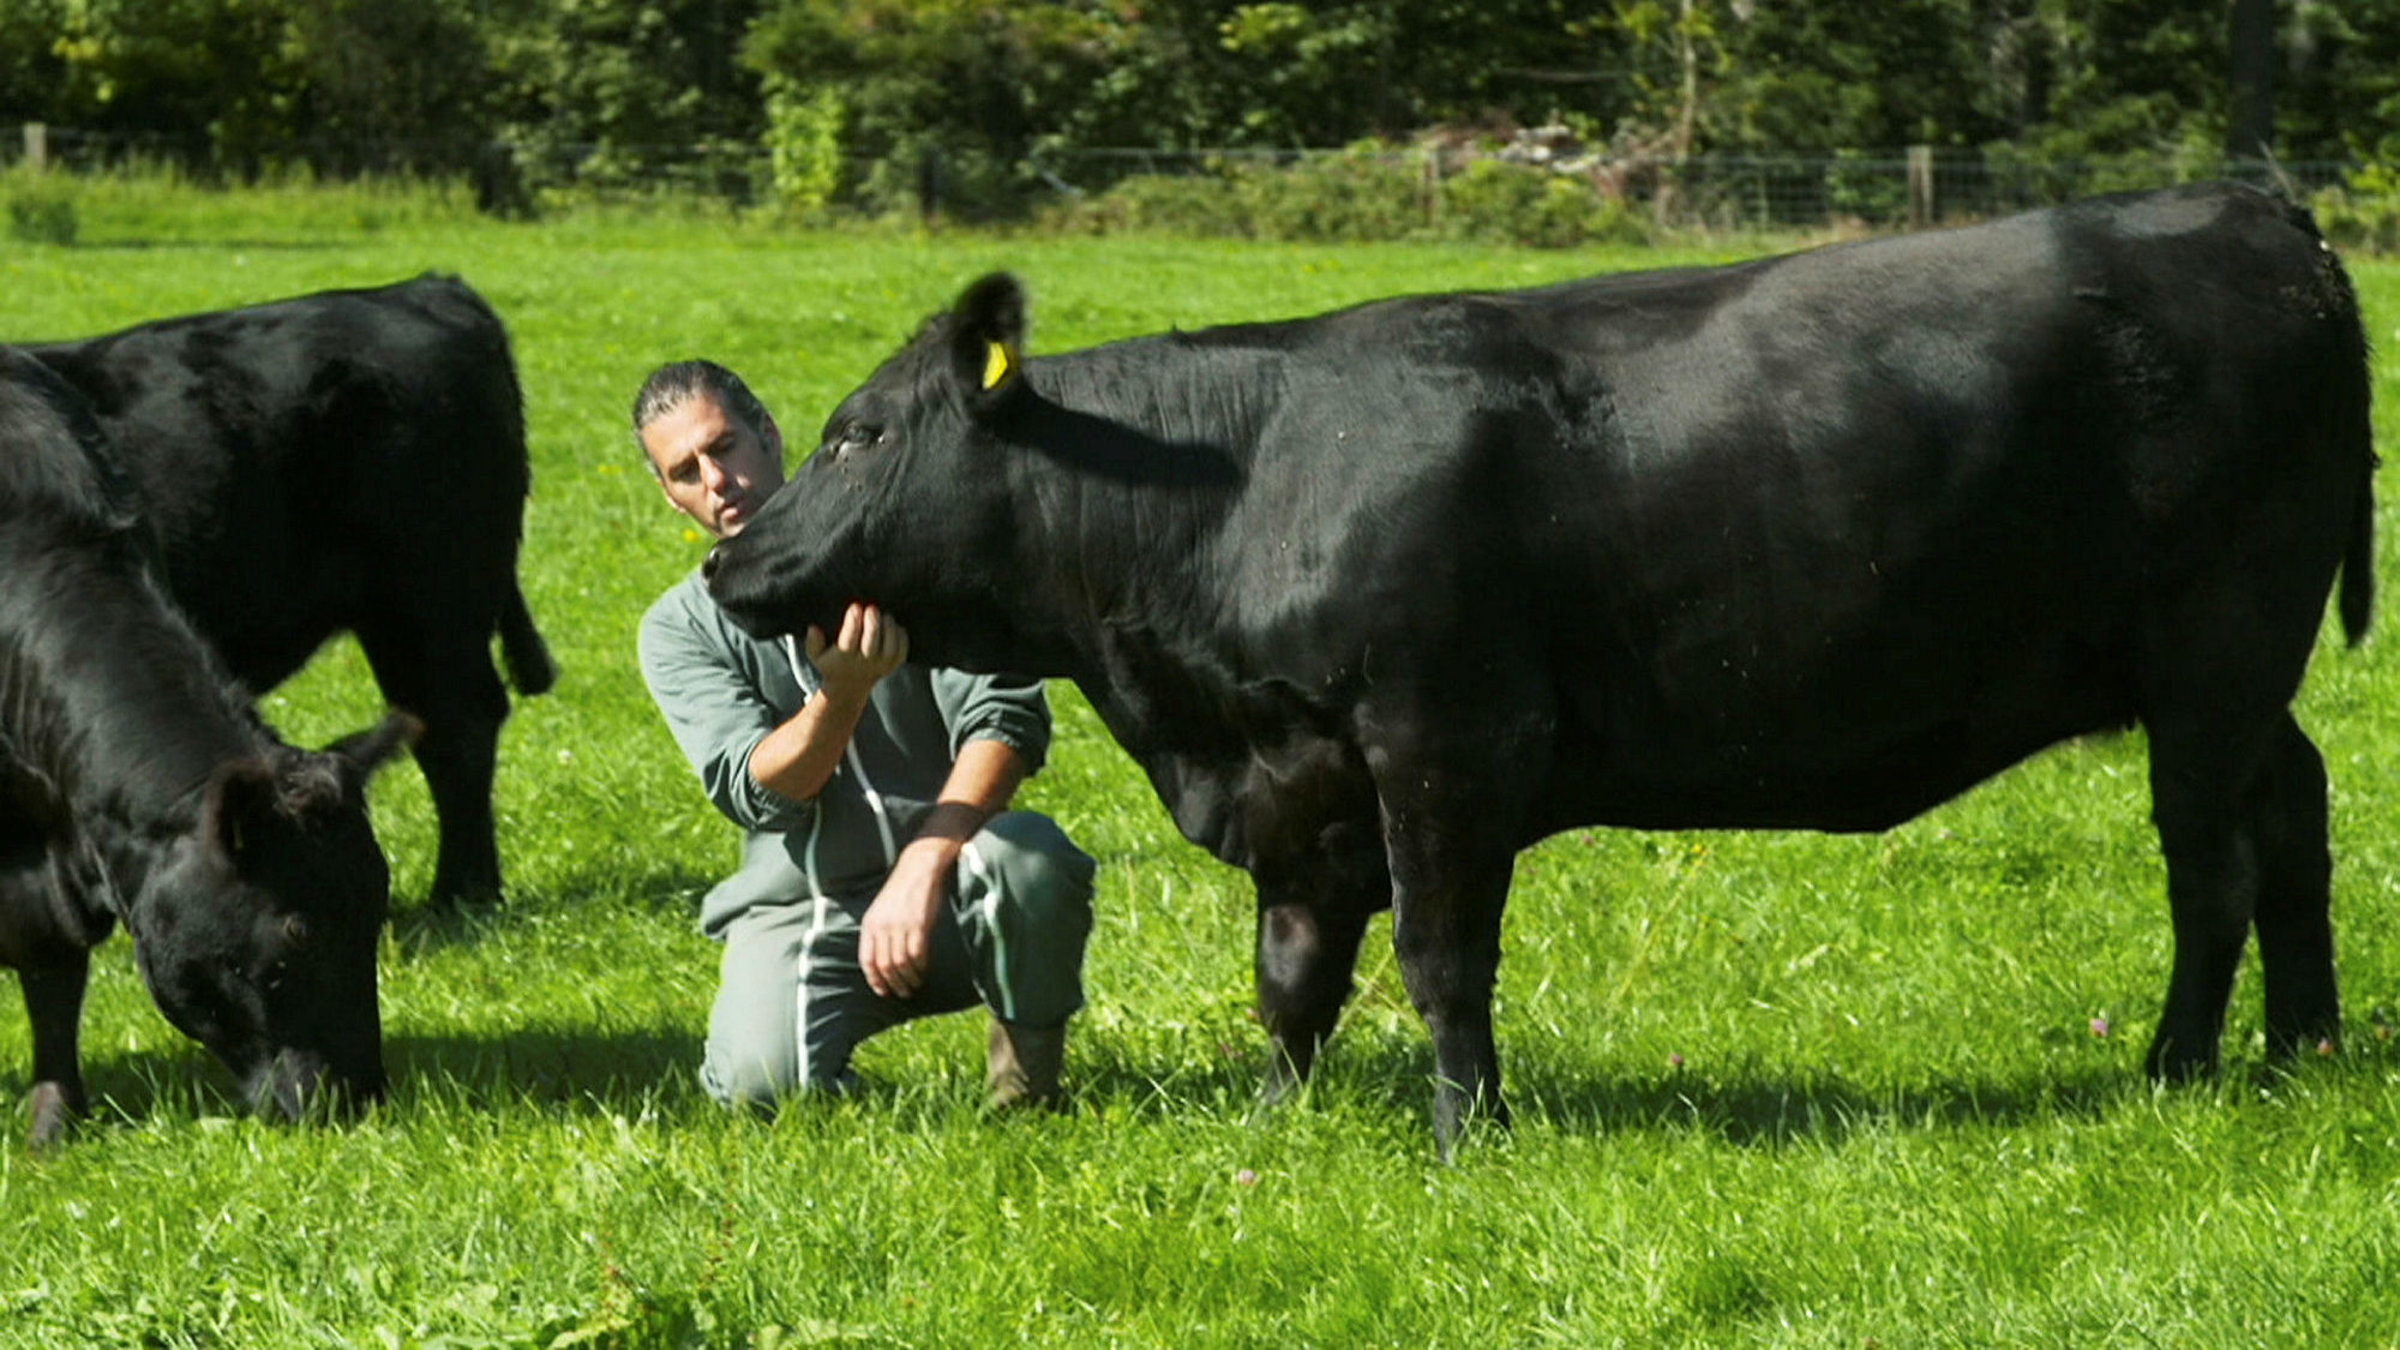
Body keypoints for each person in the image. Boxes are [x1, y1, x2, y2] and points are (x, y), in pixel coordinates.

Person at [632, 359, 1096, 1111]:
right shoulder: (679, 629)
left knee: (1030, 857)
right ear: (668, 493)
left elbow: (1004, 718)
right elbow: (757, 792)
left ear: (768, 435)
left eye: (724, 447)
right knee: (759, 1090)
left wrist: (923, 863)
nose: (715, 481)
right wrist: (841, 697)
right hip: (806, 907)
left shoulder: (909, 556)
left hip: (955, 877)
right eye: (686, 471)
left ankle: (1026, 1094)